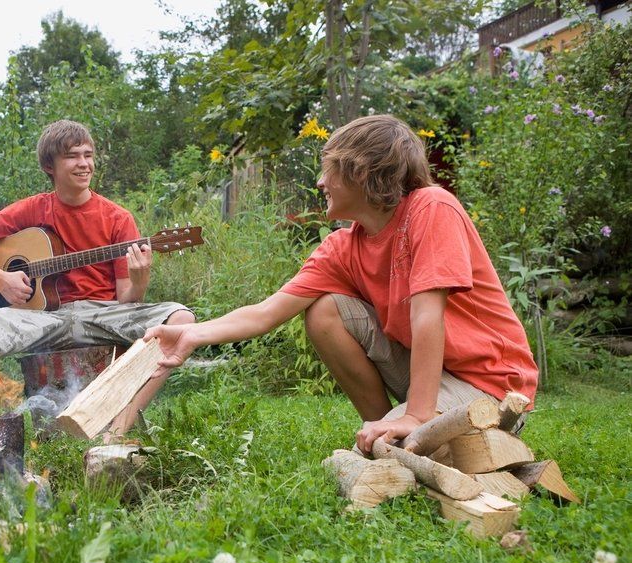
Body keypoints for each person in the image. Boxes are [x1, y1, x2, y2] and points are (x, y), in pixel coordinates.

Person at [145, 114, 537, 454]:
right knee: (323, 309)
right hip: (430, 378)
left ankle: (404, 427)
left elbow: (426, 317)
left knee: (394, 448)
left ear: (360, 172)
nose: (320, 182)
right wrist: (193, 334)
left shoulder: (431, 208)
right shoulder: (343, 246)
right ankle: (384, 423)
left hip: (490, 386)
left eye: (328, 169)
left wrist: (418, 414)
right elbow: (267, 313)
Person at [0, 119, 194, 440]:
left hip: (99, 313)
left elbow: (127, 301)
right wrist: (0, 278)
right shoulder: (34, 209)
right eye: (73, 156)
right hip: (43, 317)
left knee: (182, 319)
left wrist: (139, 278)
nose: (84, 164)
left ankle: (115, 432)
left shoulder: (118, 218)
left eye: (89, 155)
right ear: (50, 165)